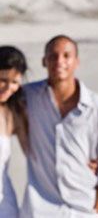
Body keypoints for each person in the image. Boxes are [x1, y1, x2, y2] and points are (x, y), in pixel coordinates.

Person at [20, 35, 98, 218]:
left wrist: (95, 210)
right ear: (44, 61)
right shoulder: (28, 98)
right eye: (53, 56)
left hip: (82, 209)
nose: (59, 61)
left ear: (76, 61)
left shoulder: (97, 108)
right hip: (38, 210)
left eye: (66, 56)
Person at [0, 46, 27, 218]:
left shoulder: (12, 114)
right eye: (3, 79)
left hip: (3, 204)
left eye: (15, 82)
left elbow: (36, 153)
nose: (8, 88)